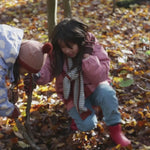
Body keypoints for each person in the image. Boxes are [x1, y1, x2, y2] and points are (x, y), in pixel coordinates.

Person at [33, 18, 131, 147]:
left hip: (95, 87)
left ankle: (115, 130)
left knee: (107, 93)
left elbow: (101, 75)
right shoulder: (56, 54)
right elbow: (46, 71)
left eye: (70, 47)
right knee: (87, 125)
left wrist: (87, 59)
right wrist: (37, 76)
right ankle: (80, 114)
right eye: (63, 48)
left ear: (79, 42)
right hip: (73, 95)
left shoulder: (91, 47)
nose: (67, 51)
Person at [0, 24, 52, 119]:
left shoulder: (6, 45)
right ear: (21, 63)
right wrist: (9, 110)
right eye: (25, 72)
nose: (24, 75)